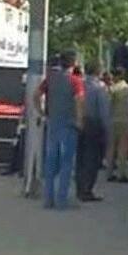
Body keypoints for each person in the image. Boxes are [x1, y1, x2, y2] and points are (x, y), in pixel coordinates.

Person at [33, 50, 85, 209]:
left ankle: (48, 199)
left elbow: (36, 95)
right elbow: (79, 101)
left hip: (52, 122)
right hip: (69, 124)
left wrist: (42, 112)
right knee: (67, 162)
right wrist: (80, 120)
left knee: (50, 161)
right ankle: (62, 200)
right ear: (73, 63)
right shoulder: (75, 81)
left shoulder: (50, 79)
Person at [76, 61, 111, 202]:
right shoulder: (100, 88)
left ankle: (79, 187)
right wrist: (107, 129)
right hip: (94, 125)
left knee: (80, 157)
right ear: (98, 71)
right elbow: (103, 111)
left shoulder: (80, 83)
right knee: (93, 158)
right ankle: (87, 190)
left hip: (80, 122)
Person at [106, 67, 128, 182]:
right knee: (123, 148)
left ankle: (109, 172)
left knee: (111, 148)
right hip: (126, 120)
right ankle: (122, 173)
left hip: (112, 120)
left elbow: (108, 105)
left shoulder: (111, 89)